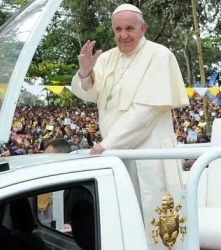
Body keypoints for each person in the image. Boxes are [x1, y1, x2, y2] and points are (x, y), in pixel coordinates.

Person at [71, 3, 189, 248]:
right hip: (117, 154)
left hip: (150, 155)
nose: (123, 35)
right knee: (124, 221)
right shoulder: (107, 58)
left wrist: (106, 145)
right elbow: (91, 93)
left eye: (129, 28)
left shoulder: (160, 55)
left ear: (143, 28)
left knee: (157, 225)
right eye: (118, 29)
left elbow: (144, 113)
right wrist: (85, 72)